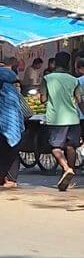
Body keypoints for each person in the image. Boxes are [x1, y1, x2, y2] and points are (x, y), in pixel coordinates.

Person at [43, 50, 81, 190]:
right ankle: (70, 175)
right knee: (71, 146)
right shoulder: (74, 80)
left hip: (56, 118)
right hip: (73, 117)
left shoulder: (48, 78)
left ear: (55, 62)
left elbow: (43, 99)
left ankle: (66, 168)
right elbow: (79, 100)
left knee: (55, 147)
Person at [0, 57, 24, 188]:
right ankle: (10, 178)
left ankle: (3, 177)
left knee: (0, 149)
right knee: (13, 148)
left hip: (0, 119)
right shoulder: (14, 83)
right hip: (14, 119)